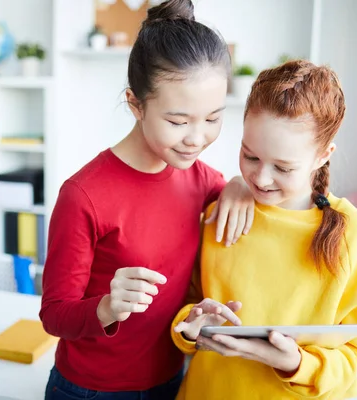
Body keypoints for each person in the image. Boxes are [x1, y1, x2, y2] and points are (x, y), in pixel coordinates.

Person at [40, 1, 254, 399]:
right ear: (135, 104)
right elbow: (54, 315)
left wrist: (239, 183)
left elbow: (226, 190)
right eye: (177, 121)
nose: (196, 137)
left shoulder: (203, 179)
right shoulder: (83, 195)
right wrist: (106, 306)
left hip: (169, 382)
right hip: (88, 390)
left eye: (212, 118)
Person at [172, 59, 357, 399]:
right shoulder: (220, 214)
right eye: (250, 157)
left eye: (283, 167)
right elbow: (185, 310)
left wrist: (297, 364)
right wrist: (191, 327)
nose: (261, 178)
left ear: (323, 155)